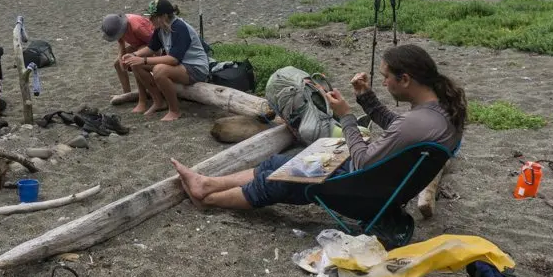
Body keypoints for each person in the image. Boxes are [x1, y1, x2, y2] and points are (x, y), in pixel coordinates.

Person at [171, 44, 466, 211]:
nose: (384, 81)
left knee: (274, 181)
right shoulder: (444, 111)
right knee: (278, 162)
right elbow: (398, 128)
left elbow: (362, 161)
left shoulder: (415, 123)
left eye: (388, 77)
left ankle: (206, 197)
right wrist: (367, 99)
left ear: (406, 79)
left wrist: (346, 116)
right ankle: (206, 183)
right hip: (388, 183)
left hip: (362, 188)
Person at [121, 0, 210, 121]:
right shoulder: (161, 27)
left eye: (153, 17)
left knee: (159, 70)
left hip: (195, 68)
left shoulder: (179, 27)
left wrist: (144, 60)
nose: (149, 20)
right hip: (181, 66)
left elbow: (174, 59)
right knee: (136, 64)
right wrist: (134, 55)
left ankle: (174, 110)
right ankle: (159, 101)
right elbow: (151, 48)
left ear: (163, 16)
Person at [101, 13, 156, 107]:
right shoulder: (118, 28)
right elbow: (123, 65)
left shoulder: (137, 27)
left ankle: (147, 95)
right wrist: (122, 51)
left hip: (150, 45)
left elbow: (155, 44)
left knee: (134, 62)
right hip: (138, 45)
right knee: (117, 64)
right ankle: (127, 93)